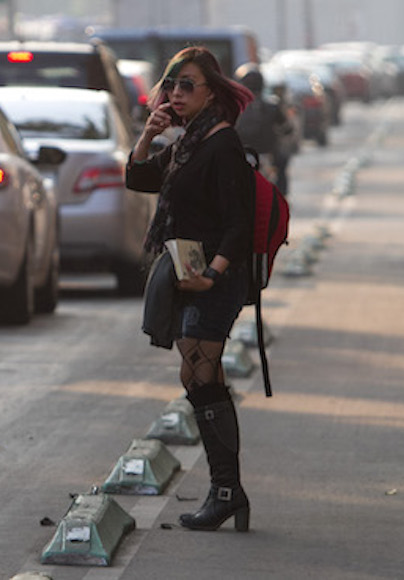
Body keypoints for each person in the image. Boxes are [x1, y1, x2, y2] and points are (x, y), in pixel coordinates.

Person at [126, 46, 255, 532]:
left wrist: (214, 275)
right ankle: (229, 491)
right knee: (197, 376)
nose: (176, 94)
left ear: (211, 92)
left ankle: (225, 491)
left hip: (215, 278)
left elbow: (238, 225)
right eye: (172, 85)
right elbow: (139, 179)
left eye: (188, 86)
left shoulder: (221, 144)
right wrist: (147, 136)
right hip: (190, 274)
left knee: (201, 374)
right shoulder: (186, 142)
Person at [234, 64, 295, 195]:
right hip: (266, 152)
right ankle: (282, 196)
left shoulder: (234, 106)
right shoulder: (272, 105)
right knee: (282, 164)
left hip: (244, 153)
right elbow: (287, 127)